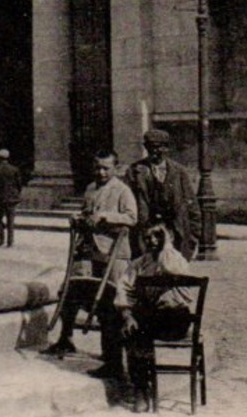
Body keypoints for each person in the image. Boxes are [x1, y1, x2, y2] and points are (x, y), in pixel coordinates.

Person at [43, 152, 139, 381]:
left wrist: (105, 217)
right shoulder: (90, 188)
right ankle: (66, 340)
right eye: (97, 168)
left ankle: (113, 361)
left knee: (112, 305)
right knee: (72, 291)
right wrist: (79, 217)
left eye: (106, 168)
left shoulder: (123, 190)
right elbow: (88, 213)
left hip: (114, 253)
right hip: (89, 250)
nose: (101, 172)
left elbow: (132, 217)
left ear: (116, 168)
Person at [115, 224, 195, 400]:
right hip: (151, 318)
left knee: (141, 329)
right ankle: (141, 388)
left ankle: (142, 385)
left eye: (158, 236)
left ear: (168, 237)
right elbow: (123, 288)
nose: (152, 241)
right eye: (148, 238)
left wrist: (166, 247)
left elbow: (170, 269)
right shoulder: (139, 263)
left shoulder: (176, 259)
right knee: (133, 329)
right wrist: (127, 314)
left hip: (175, 318)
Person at [127, 129, 200, 260]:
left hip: (175, 232)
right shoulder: (134, 171)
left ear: (167, 148)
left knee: (174, 272)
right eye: (150, 147)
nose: (154, 151)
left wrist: (193, 237)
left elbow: (192, 206)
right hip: (146, 234)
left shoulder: (179, 172)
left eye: (159, 147)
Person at [0, 148, 24, 247]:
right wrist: (16, 194)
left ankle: (1, 239)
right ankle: (10, 241)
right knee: (11, 220)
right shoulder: (14, 169)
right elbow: (19, 184)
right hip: (12, 198)